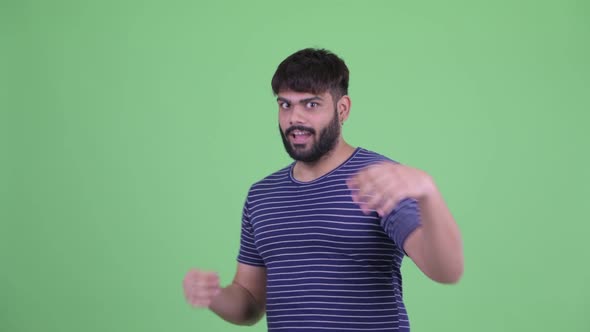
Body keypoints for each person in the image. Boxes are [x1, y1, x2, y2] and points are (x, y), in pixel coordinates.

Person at [183, 48, 464, 331]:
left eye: (311, 105)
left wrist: (428, 194)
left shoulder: (379, 180)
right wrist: (215, 296)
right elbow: (250, 302)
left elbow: (446, 270)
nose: (294, 118)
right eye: (285, 105)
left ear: (342, 109)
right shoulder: (262, 196)